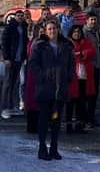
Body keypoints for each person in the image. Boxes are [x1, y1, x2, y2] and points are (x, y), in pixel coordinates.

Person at [29, 20, 74, 161]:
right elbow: (33, 63)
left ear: (58, 29)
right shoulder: (40, 45)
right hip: (45, 90)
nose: (52, 31)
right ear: (45, 30)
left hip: (59, 91)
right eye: (49, 29)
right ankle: (42, 148)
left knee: (55, 120)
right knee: (43, 120)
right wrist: (41, 76)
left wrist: (69, 76)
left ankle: (54, 148)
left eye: (54, 28)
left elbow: (72, 63)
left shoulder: (65, 45)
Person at [65, 25, 96, 134]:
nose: (77, 34)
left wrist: (82, 53)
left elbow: (92, 51)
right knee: (70, 103)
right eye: (75, 32)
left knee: (81, 103)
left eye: (78, 32)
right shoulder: (67, 43)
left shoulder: (85, 41)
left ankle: (79, 125)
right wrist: (79, 54)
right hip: (72, 78)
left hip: (83, 77)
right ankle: (69, 126)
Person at [0, 10, 28, 119]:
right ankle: (4, 108)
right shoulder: (10, 27)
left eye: (22, 16)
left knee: (14, 83)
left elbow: (25, 42)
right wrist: (6, 57)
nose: (20, 17)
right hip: (10, 59)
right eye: (18, 16)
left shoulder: (24, 27)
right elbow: (4, 42)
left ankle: (11, 106)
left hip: (19, 59)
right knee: (7, 83)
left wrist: (24, 57)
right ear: (15, 17)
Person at [83, 12, 100, 128]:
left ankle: (91, 116)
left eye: (95, 20)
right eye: (91, 20)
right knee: (88, 94)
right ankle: (87, 117)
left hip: (97, 65)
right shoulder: (84, 33)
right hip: (88, 66)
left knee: (94, 94)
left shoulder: (96, 31)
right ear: (87, 20)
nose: (93, 22)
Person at [25, 24, 44, 134]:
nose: (41, 33)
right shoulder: (35, 43)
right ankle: (32, 126)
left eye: (43, 31)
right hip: (34, 74)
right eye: (40, 31)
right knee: (33, 100)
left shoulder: (39, 43)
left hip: (37, 73)